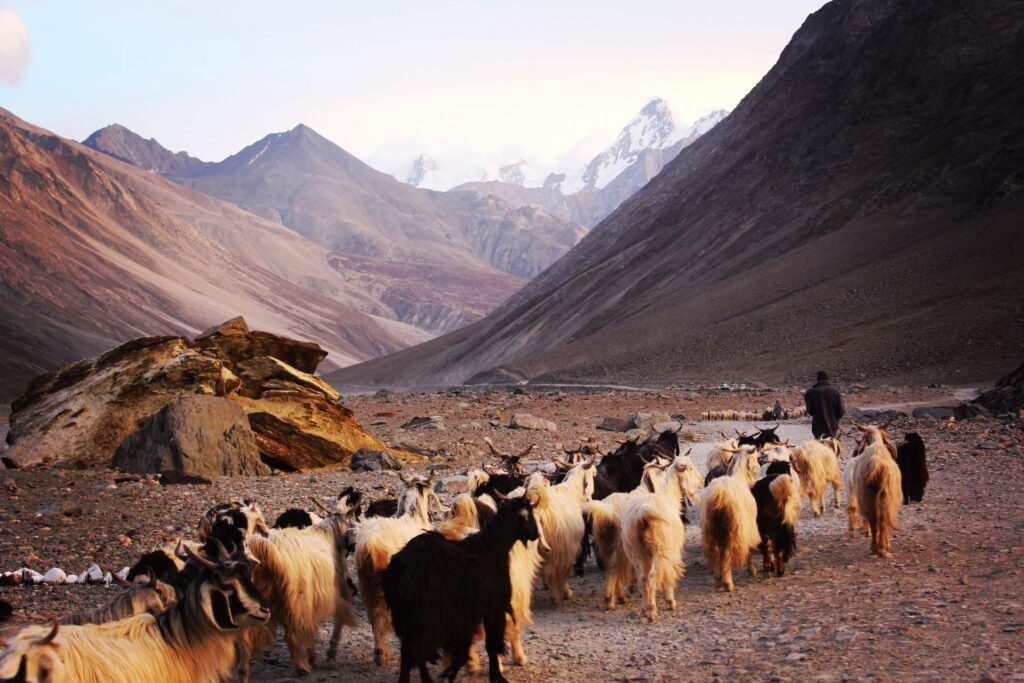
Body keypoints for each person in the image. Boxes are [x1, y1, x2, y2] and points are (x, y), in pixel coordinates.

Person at [804, 370, 845, 439]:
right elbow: (841, 411)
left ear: (818, 379)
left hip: (817, 428)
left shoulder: (811, 392)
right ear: (827, 379)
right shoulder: (836, 392)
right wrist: (835, 419)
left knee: (819, 448)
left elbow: (810, 411)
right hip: (832, 428)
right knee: (831, 448)